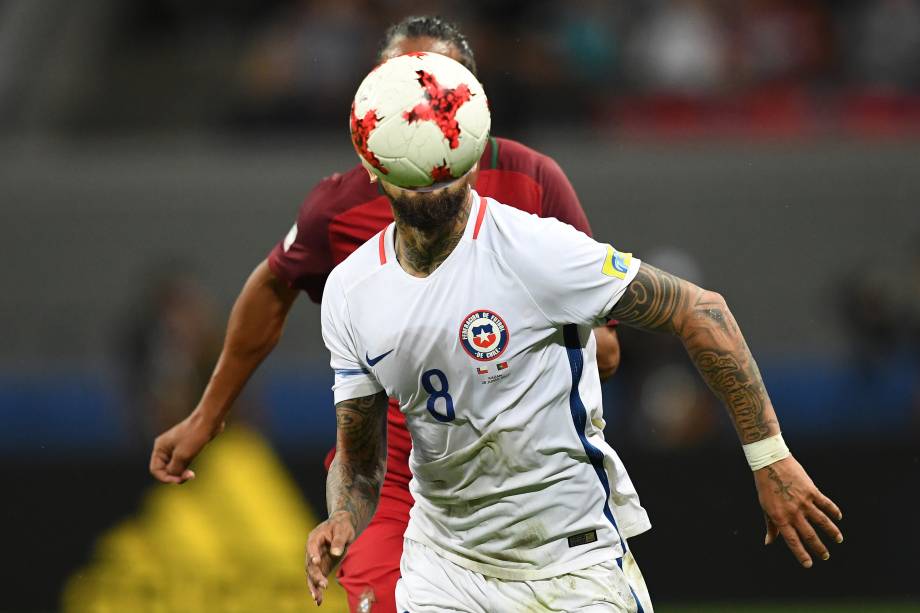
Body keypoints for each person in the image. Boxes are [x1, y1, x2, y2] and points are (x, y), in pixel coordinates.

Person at [305, 52, 844, 612]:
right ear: (373, 169)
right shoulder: (351, 289)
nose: (431, 191)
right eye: (413, 180)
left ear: (470, 160)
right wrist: (344, 515)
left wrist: (771, 459)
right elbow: (361, 459)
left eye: (443, 173)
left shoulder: (535, 251)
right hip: (443, 569)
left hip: (570, 566)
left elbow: (701, 311)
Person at [148, 16, 621, 613]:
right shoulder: (341, 206)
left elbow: (607, 343)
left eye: (439, 87)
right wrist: (206, 416)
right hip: (395, 483)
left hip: (521, 488)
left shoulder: (531, 180)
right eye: (401, 84)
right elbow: (272, 287)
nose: (420, 105)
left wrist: (539, 343)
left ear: (473, 98)